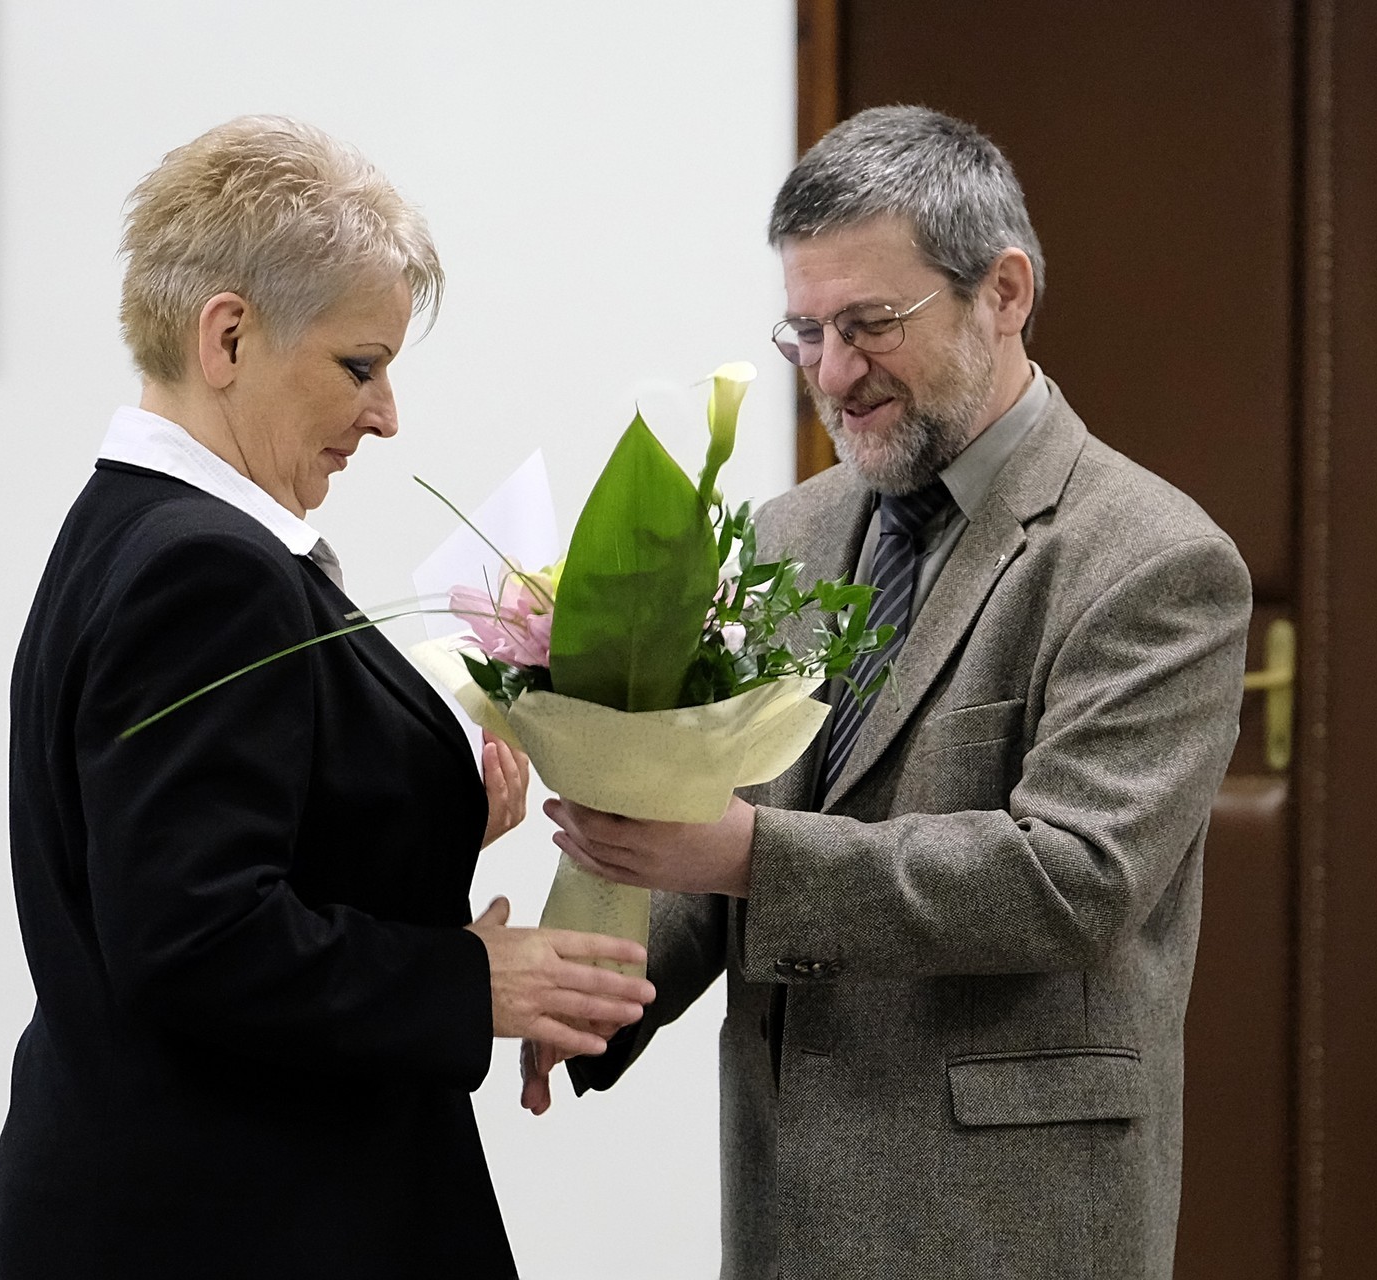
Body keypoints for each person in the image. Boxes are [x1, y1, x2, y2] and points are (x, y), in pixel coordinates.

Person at [530, 105, 1251, 1279]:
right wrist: (582, 985)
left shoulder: (1153, 559)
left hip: (1009, 1220)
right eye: (805, 332)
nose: (833, 373)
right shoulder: (790, 531)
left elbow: (1076, 877)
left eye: (871, 325)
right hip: (787, 1205)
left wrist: (750, 856)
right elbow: (719, 822)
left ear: (1003, 292)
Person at [0, 116, 654, 1279]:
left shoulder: (132, 523)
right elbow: (192, 938)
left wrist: (429, 813)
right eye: (360, 365)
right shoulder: (208, 568)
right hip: (237, 1218)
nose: (387, 412)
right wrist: (472, 981)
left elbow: (195, 851)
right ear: (229, 336)